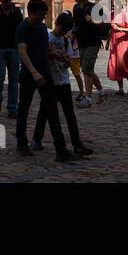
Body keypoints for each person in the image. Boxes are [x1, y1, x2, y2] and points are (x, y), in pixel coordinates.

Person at [14, 0, 73, 161]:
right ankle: (22, 142)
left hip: (44, 73)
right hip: (29, 75)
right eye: (42, 14)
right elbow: (23, 52)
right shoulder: (22, 28)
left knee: (52, 109)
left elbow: (47, 48)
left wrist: (60, 55)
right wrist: (34, 73)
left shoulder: (41, 28)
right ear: (32, 12)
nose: (44, 17)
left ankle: (61, 150)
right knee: (24, 108)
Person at [34, 12, 93, 157]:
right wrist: (54, 55)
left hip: (63, 81)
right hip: (50, 82)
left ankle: (76, 143)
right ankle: (39, 139)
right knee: (47, 113)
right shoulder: (47, 38)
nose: (64, 33)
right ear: (57, 25)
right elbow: (42, 58)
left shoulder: (66, 41)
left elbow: (69, 63)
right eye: (62, 29)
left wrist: (65, 59)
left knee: (69, 114)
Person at [71, 0, 106, 103]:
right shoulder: (75, 8)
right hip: (82, 42)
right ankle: (101, 91)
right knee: (87, 69)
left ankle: (88, 98)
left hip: (93, 42)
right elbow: (76, 25)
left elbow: (104, 23)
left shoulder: (94, 7)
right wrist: (72, 39)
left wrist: (92, 21)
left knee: (86, 68)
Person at [106, 2, 128, 95]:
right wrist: (108, 41)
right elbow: (111, 29)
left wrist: (120, 28)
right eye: (112, 5)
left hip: (123, 41)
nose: (113, 7)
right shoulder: (112, 14)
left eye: (114, 5)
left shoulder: (125, 14)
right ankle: (120, 88)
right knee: (115, 63)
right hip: (114, 41)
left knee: (122, 63)